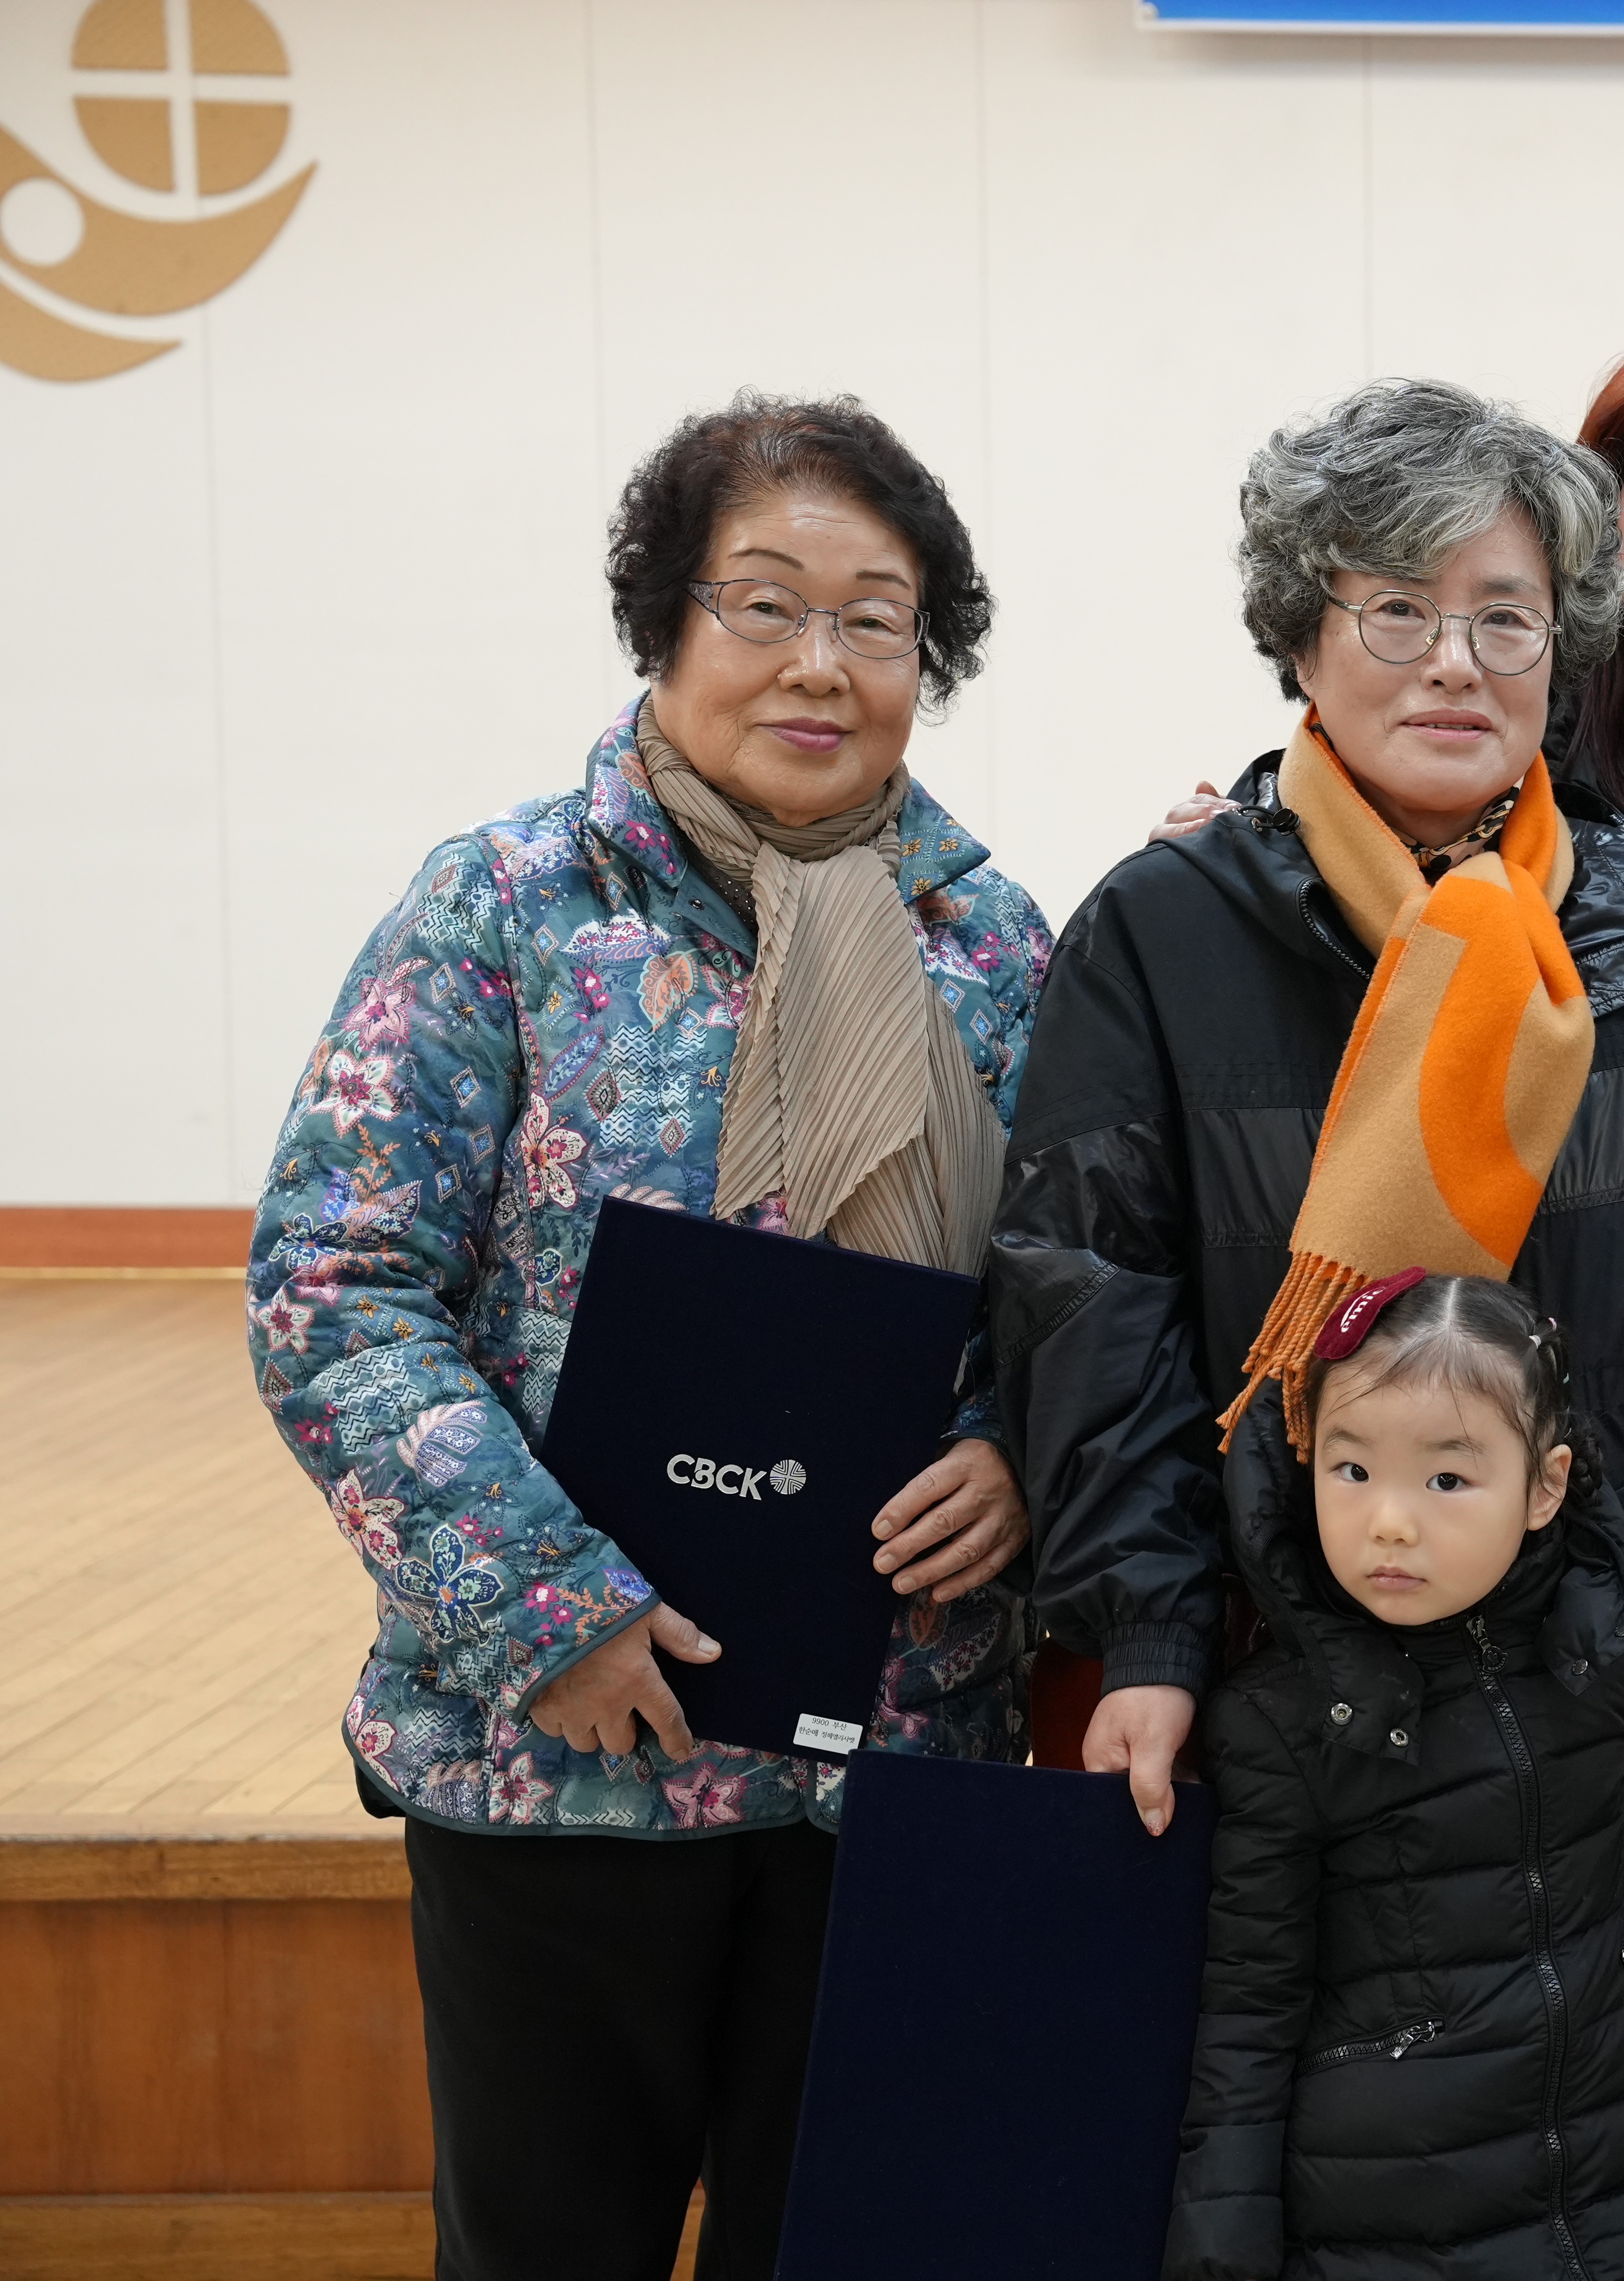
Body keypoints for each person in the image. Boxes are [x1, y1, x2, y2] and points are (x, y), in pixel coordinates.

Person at [246, 393, 1050, 2281]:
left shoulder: (995, 940)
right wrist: (552, 1606)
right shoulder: (504, 904)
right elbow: (334, 1284)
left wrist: (1014, 1446)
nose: (819, 661)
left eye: (877, 618)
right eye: (762, 603)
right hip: (562, 1762)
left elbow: (1076, 1287)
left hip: (891, 1753)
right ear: (663, 626)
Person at [991, 377, 1624, 1854]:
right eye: (1398, 609)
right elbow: (1087, 1299)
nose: (1455, 664)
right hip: (1266, 1690)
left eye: (1505, 619)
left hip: (1589, 1687)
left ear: (1560, 650)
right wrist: (1151, 1630)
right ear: (1304, 643)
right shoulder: (1164, 932)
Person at [1167, 1270, 1624, 2281]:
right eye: (1350, 1469)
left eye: (1447, 1479)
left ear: (1545, 1485)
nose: (1389, 1521)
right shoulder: (1278, 1722)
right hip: (1400, 2219)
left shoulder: (1611, 1636)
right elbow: (1250, 2010)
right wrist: (1224, 2250)